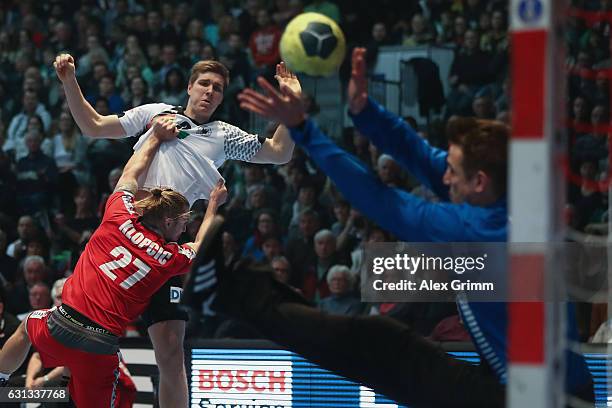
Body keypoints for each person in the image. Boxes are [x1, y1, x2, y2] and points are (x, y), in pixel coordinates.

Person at [222, 47, 594, 406]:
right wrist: (365, 111)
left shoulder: (479, 233)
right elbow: (416, 152)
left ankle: (236, 291)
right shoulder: (505, 199)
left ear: (478, 182)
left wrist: (303, 129)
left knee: (387, 348)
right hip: (541, 385)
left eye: (452, 169)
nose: (442, 174)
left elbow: (377, 198)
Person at [53, 53, 301, 407]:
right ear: (189, 86)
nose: (210, 92)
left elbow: (278, 152)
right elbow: (92, 126)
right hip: (124, 234)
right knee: (78, 336)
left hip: (165, 247)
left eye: (218, 88)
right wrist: (69, 81)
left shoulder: (222, 135)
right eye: (204, 84)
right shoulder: (155, 112)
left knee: (170, 352)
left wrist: (291, 105)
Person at [0, 118, 227, 408]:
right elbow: (200, 244)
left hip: (59, 325)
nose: (184, 229)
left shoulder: (118, 213)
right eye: (183, 223)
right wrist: (213, 205)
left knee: (26, 327)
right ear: (168, 221)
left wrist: (155, 137)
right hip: (98, 347)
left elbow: (131, 170)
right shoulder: (169, 258)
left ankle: (1, 379)